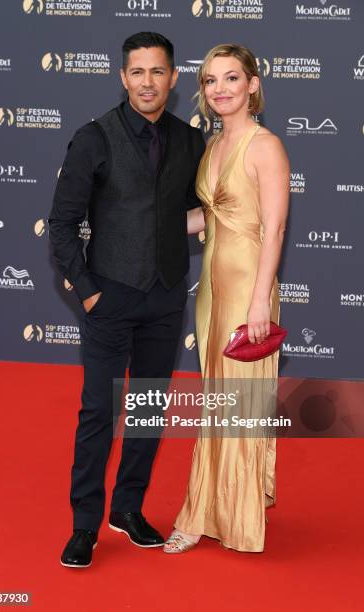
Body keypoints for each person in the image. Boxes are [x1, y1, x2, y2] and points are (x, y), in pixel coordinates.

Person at [48, 31, 205, 568]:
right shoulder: (93, 137)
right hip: (109, 298)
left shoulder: (189, 141)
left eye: (157, 72)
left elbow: (184, 213)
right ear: (122, 77)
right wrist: (89, 294)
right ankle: (85, 526)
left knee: (145, 411)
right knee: (99, 413)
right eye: (137, 72)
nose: (147, 82)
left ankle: (129, 509)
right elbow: (63, 227)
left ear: (173, 78)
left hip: (164, 300)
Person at [163, 43, 289, 553]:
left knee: (239, 404)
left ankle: (227, 517)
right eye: (211, 80)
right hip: (211, 294)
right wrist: (138, 230)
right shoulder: (210, 146)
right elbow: (205, 220)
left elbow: (275, 228)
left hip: (247, 290)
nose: (219, 89)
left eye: (231, 78)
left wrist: (260, 303)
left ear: (252, 85)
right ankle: (207, 508)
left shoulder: (265, 146)